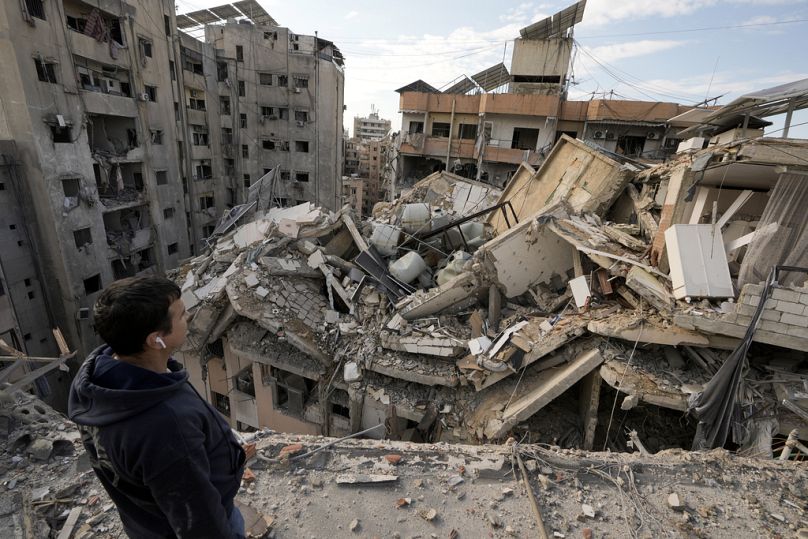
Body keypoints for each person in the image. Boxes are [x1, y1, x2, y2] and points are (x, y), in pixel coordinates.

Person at [68, 276, 246, 538]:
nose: (190, 316)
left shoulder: (97, 382)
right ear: (156, 340)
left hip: (144, 522)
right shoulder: (165, 426)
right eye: (182, 314)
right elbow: (198, 521)